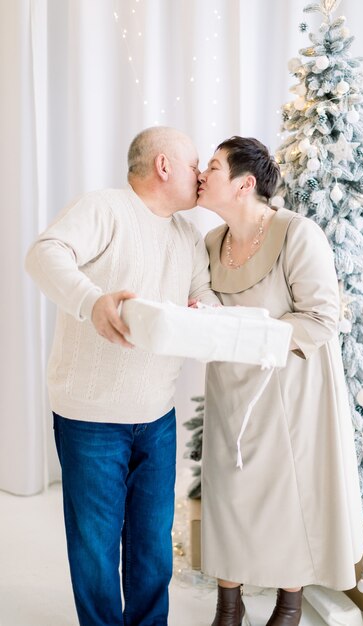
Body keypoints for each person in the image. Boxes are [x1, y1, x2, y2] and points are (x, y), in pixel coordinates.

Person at [25, 126, 219, 626]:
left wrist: (204, 309)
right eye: (194, 163)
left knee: (153, 548)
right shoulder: (104, 208)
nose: (201, 174)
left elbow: (206, 294)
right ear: (163, 165)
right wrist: (92, 301)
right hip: (90, 418)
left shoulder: (188, 236)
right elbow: (43, 253)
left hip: (157, 415)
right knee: (95, 548)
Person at [197, 136, 363, 626]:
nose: (201, 174)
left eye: (212, 166)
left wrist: (250, 333)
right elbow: (206, 313)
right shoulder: (210, 244)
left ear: (245, 183)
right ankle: (229, 605)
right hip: (231, 389)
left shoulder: (297, 233)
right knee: (228, 491)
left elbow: (320, 318)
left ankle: (288, 605)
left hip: (291, 390)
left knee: (287, 492)